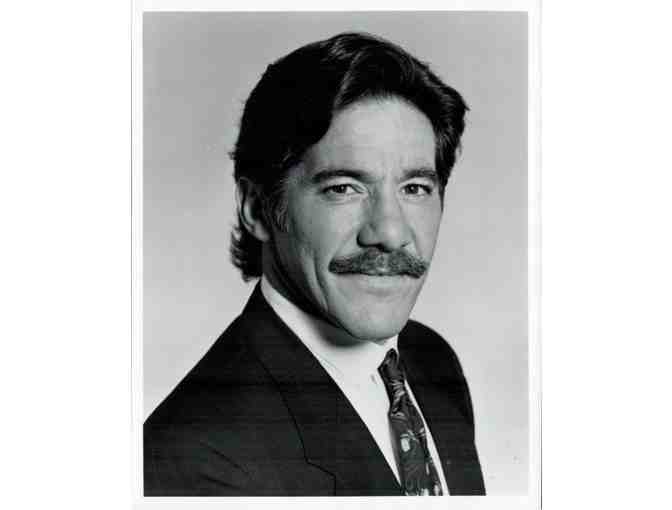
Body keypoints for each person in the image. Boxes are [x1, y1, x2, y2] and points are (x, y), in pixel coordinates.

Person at [144, 32, 485, 497]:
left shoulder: (431, 360)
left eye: (415, 189)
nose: (390, 232)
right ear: (258, 208)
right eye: (343, 188)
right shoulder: (197, 461)